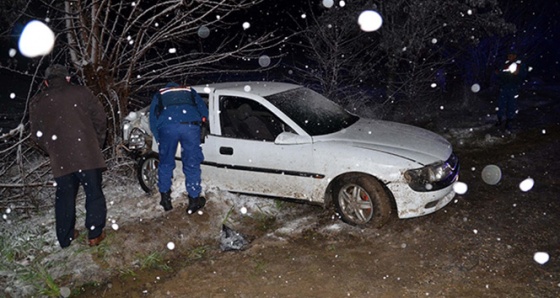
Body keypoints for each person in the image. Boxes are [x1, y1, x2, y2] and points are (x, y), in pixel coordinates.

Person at [29, 64, 108, 248]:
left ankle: (65, 237)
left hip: (61, 158)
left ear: (46, 82)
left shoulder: (38, 101)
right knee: (94, 193)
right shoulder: (82, 92)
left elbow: (36, 135)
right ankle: (95, 235)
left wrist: (52, 149)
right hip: (87, 154)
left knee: (64, 197)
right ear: (67, 78)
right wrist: (96, 142)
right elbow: (100, 118)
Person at [149, 82, 209, 214]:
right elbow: (203, 111)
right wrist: (202, 125)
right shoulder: (189, 90)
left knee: (165, 163)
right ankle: (194, 201)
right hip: (190, 126)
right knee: (192, 163)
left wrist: (159, 138)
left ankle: (165, 199)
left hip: (167, 127)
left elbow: (152, 119)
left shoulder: (160, 93)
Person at [495, 51, 525, 130]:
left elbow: (523, 75)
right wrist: (498, 74)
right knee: (500, 104)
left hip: (513, 88)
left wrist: (518, 74)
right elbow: (501, 75)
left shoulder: (519, 65)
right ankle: (499, 120)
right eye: (508, 55)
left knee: (511, 105)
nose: (509, 57)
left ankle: (509, 121)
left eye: (511, 55)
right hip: (504, 87)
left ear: (515, 56)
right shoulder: (505, 64)